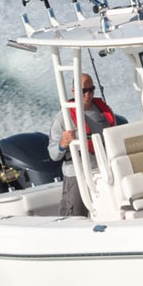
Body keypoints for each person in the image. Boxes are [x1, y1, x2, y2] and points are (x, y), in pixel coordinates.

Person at [48, 74, 117, 217]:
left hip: (103, 170)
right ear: (73, 91)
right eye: (83, 91)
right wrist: (63, 143)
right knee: (75, 215)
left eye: (91, 90)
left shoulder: (104, 112)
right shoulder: (63, 118)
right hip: (76, 174)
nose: (88, 94)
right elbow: (53, 154)